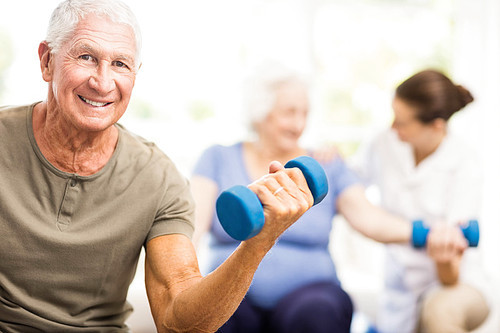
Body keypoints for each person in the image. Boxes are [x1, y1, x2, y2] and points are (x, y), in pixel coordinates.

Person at [0, 1, 326, 332]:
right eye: (86, 57)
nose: (102, 82)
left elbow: (178, 322)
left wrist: (256, 245)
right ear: (47, 61)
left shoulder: (159, 178)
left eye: (120, 64)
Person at [190, 62, 445, 333]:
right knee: (214, 316)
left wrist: (429, 233)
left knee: (318, 313)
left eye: (305, 113)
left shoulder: (326, 164)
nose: (299, 124)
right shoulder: (218, 158)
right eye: (289, 113)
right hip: (232, 293)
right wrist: (181, 282)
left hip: (310, 295)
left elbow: (368, 218)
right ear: (260, 112)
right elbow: (190, 227)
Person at [351, 69, 491, 333]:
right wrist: (329, 158)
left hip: (456, 281)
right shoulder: (384, 142)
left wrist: (443, 253)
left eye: (402, 122)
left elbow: (451, 275)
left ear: (436, 125)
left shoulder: (465, 162)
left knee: (439, 310)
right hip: (399, 287)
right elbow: (350, 184)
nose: (393, 127)